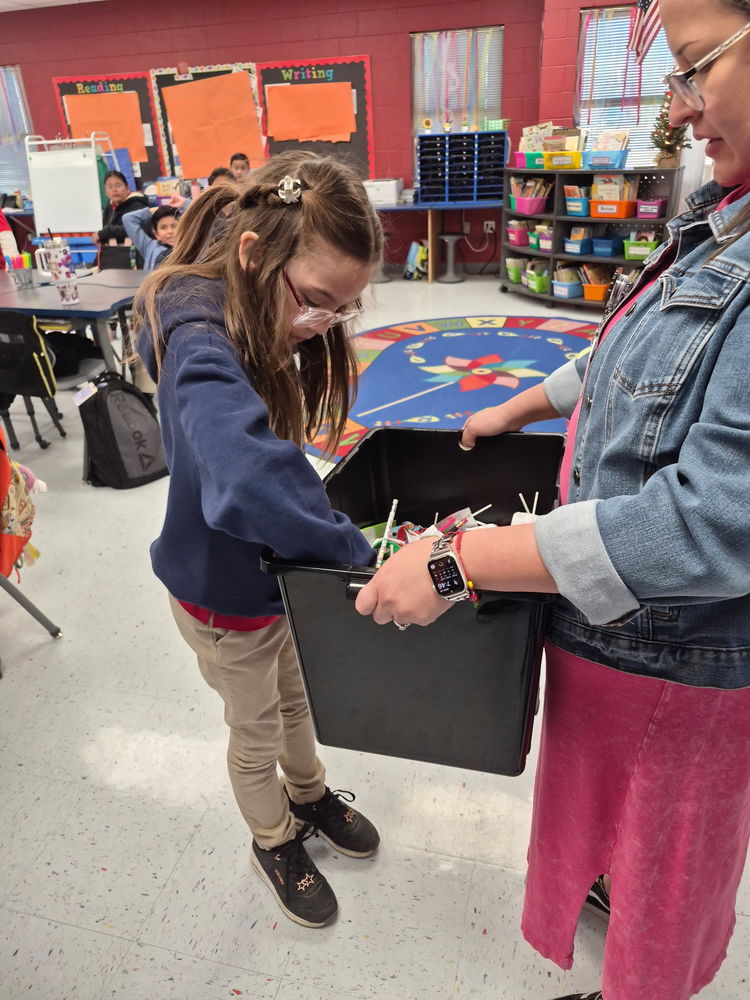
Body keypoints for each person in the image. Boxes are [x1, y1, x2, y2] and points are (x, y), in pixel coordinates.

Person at [355, 1, 750, 997]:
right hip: (618, 643)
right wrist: (518, 405)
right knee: (620, 845)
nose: (679, 109)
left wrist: (457, 561)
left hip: (682, 671)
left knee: (665, 888)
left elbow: (708, 527)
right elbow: (638, 352)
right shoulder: (722, 218)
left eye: (696, 66)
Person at [133, 151, 383, 930]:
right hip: (222, 597)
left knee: (296, 701)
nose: (322, 324)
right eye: (316, 302)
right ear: (252, 253)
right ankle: (272, 839)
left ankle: (308, 795)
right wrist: (356, 553)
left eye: (341, 310)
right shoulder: (199, 338)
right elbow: (247, 478)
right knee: (255, 731)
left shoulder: (249, 301)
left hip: (273, 583)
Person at [122, 205, 180, 271]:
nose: (170, 231)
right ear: (156, 234)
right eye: (163, 228)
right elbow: (128, 219)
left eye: (174, 226)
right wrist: (153, 210)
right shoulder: (149, 246)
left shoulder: (186, 249)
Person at [98, 170, 149, 244]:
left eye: (118, 185)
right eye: (109, 187)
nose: (114, 190)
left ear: (127, 188)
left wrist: (104, 233)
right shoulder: (109, 207)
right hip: (113, 249)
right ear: (105, 192)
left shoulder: (138, 205)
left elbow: (136, 228)